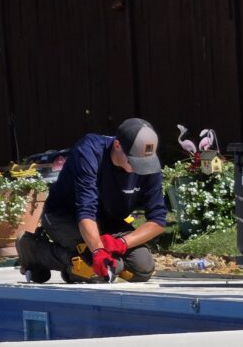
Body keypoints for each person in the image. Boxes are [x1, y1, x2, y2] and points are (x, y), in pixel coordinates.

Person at [17, 117, 168, 283]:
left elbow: (158, 220)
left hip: (109, 220)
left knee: (142, 269)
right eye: (134, 161)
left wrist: (121, 243)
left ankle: (75, 269)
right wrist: (98, 251)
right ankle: (33, 250)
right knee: (99, 270)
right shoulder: (89, 152)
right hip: (65, 216)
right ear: (117, 145)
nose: (140, 168)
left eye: (145, 162)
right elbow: (86, 210)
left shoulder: (149, 164)